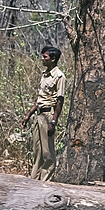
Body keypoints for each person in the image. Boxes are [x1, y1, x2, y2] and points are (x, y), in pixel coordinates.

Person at [21, 46, 66, 181]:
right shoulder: (44, 75)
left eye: (45, 57)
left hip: (48, 116)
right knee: (37, 152)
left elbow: (59, 101)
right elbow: (40, 99)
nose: (42, 59)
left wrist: (53, 121)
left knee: (48, 153)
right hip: (38, 116)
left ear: (53, 59)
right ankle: (34, 182)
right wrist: (28, 115)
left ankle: (45, 183)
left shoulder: (59, 77)